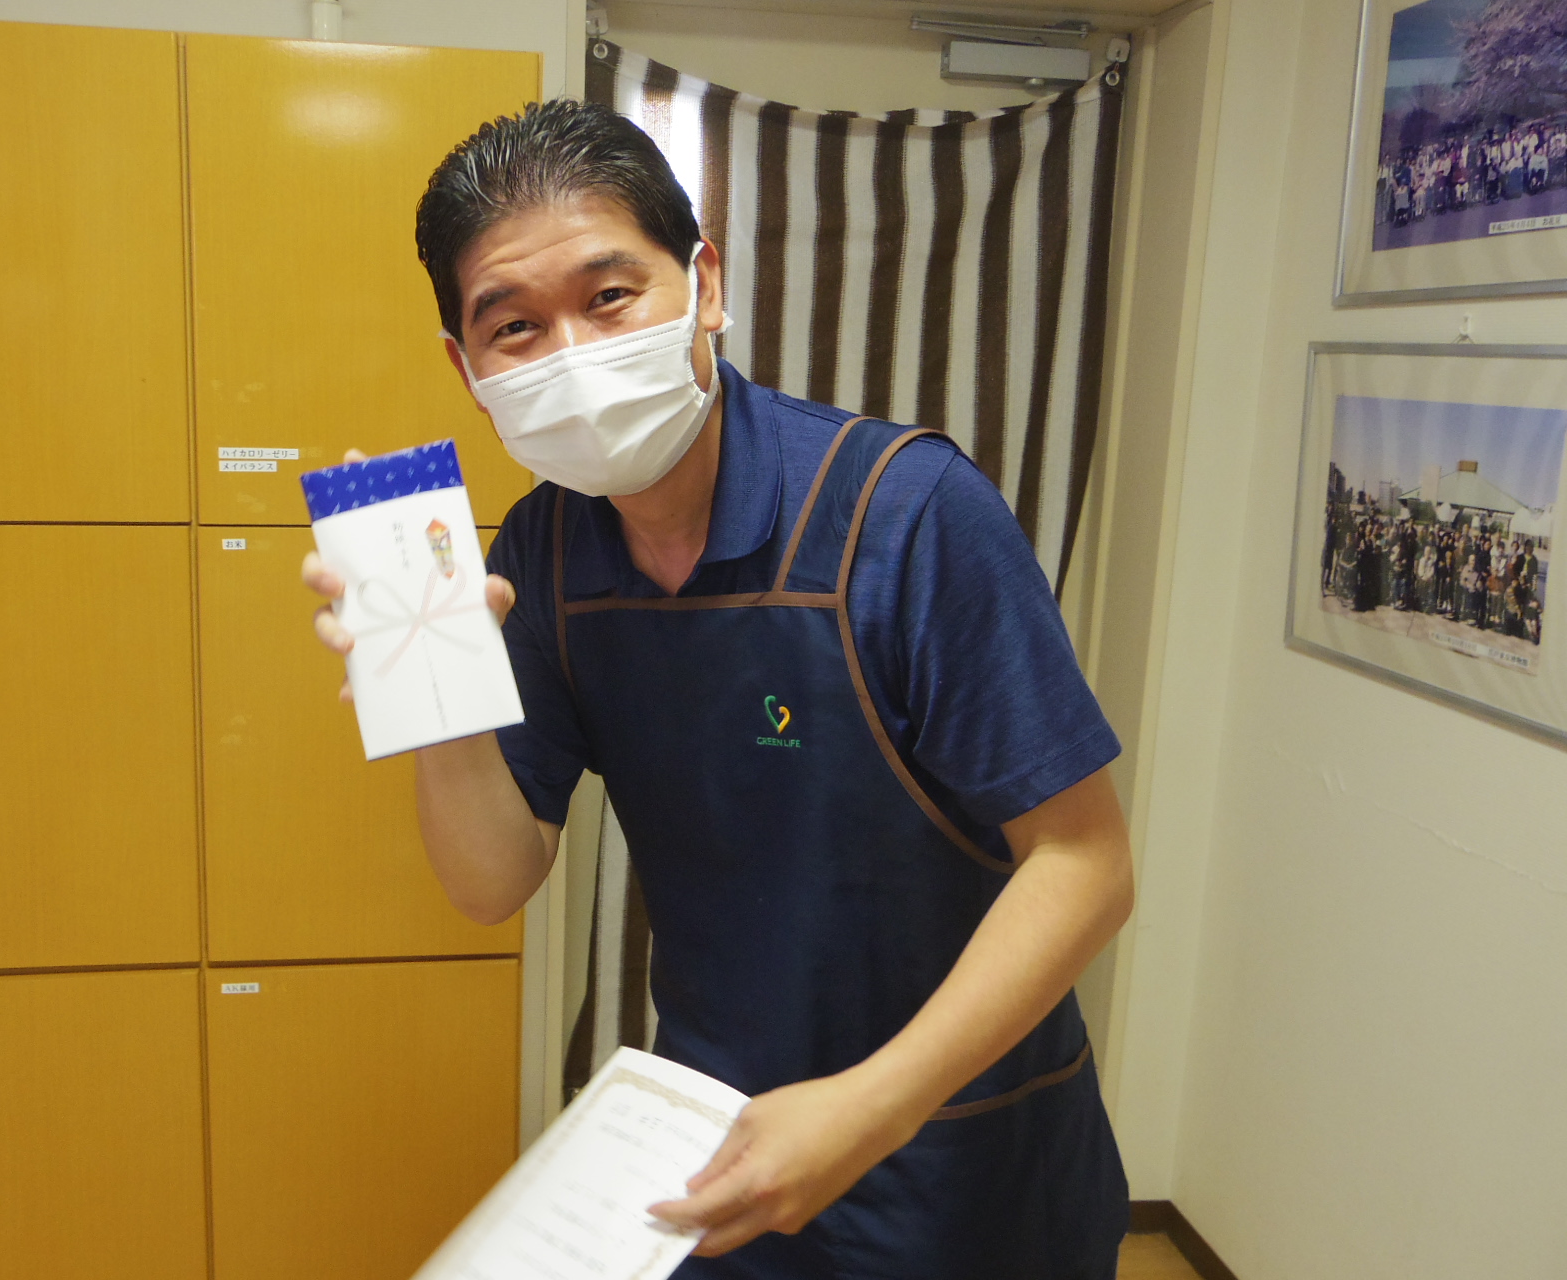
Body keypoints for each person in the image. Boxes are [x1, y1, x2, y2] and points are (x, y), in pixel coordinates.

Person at [303, 101, 1134, 1279]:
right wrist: (434, 692)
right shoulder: (542, 552)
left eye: (609, 295)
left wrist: (870, 1105)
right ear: (466, 367)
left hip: (961, 1163)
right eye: (515, 326)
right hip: (716, 1144)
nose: (573, 355)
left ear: (703, 286)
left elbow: (1087, 863)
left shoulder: (909, 512)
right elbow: (492, 880)